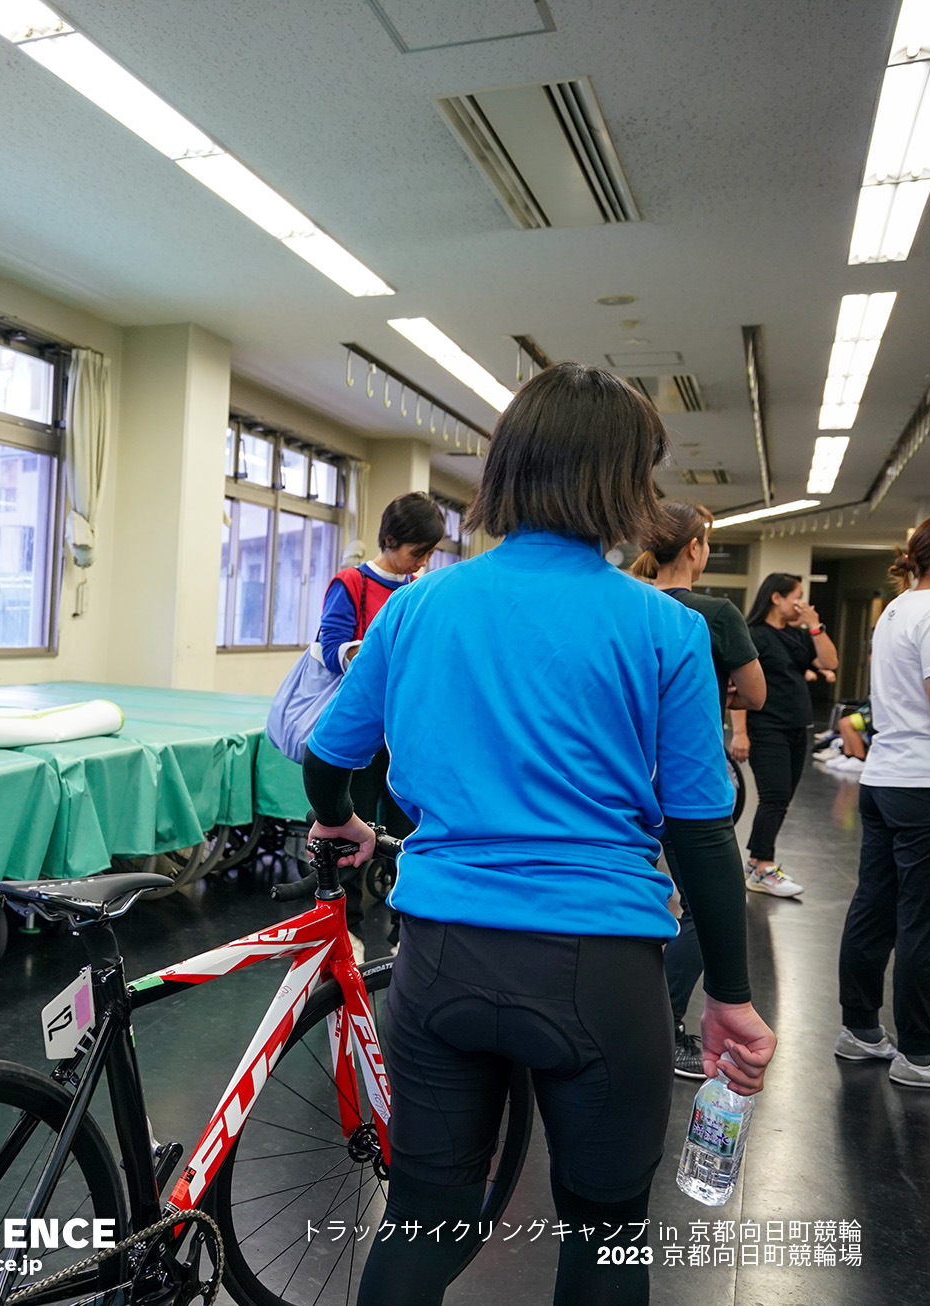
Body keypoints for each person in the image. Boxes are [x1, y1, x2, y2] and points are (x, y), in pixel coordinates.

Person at [304, 362, 776, 1306]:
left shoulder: (417, 606)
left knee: (424, 1213)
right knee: (605, 1234)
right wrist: (730, 995)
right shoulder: (664, 628)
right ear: (627, 483)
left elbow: (327, 755)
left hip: (437, 957)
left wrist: (340, 823)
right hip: (599, 970)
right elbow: (701, 832)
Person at [632, 501, 766, 1080]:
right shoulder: (713, 613)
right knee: (701, 906)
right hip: (689, 780)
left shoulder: (627, 604)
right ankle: (661, 1020)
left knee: (635, 897)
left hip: (626, 778)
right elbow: (756, 695)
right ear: (695, 548)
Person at [837, 516, 930, 1088]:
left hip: (885, 777)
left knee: (876, 904)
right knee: (922, 917)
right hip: (921, 784)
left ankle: (861, 1029)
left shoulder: (897, 610)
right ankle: (920, 1054)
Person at [313, 491, 444, 845]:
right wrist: (384, 657)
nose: (423, 562)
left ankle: (393, 896)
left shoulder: (419, 592)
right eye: (418, 552)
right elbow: (332, 650)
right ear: (390, 540)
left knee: (407, 825)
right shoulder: (351, 583)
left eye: (429, 554)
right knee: (357, 817)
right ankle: (349, 899)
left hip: (403, 728)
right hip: (363, 724)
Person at [732, 572, 839, 896]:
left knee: (782, 802)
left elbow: (830, 661)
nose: (801, 602)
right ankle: (763, 866)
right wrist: (740, 732)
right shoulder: (753, 635)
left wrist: (815, 625)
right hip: (767, 728)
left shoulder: (799, 635)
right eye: (797, 594)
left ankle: (756, 862)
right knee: (774, 798)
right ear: (776, 597)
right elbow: (738, 686)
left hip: (798, 728)